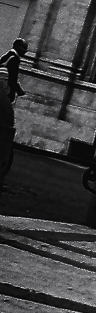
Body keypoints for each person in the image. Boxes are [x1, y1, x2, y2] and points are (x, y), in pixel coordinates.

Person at [0, 36, 24, 197]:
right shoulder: (13, 58)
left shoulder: (7, 56)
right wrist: (16, 90)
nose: (26, 52)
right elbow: (11, 77)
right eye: (24, 49)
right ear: (18, 47)